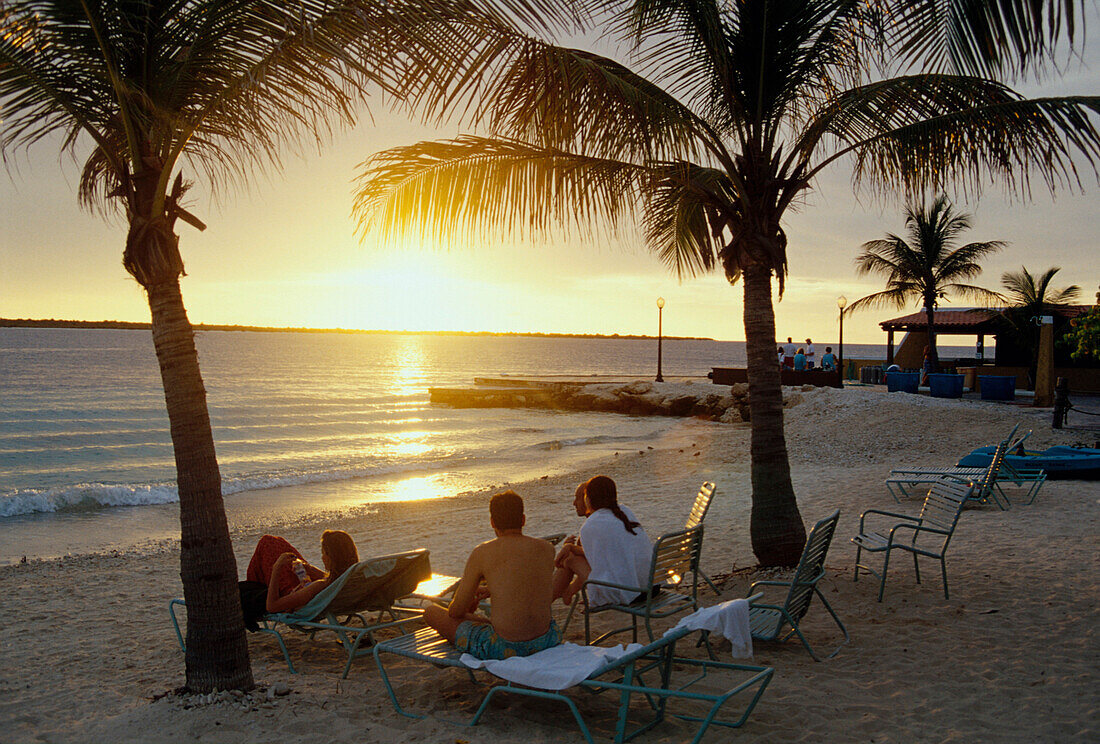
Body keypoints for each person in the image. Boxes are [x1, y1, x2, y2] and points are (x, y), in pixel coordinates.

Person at [423, 491, 560, 660]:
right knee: (482, 620)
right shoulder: (547, 549)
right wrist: (491, 589)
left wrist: (468, 605)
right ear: (523, 519)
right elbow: (526, 583)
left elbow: (455, 612)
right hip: (548, 639)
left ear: (492, 522)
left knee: (431, 612)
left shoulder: (482, 552)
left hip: (505, 647)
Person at [552, 475, 652, 606]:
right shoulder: (625, 511)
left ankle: (547, 601)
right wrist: (571, 547)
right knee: (572, 555)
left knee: (570, 559)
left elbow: (596, 565)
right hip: (650, 587)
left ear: (588, 498)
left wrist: (570, 549)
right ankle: (562, 594)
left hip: (630, 594)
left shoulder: (592, 525)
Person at [245, 530, 360, 614]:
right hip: (311, 589)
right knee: (276, 543)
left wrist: (276, 568)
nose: (322, 558)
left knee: (267, 542)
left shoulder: (319, 586)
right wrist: (309, 569)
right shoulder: (353, 577)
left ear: (331, 558)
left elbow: (272, 606)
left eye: (323, 553)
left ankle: (253, 582)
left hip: (289, 594)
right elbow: (333, 579)